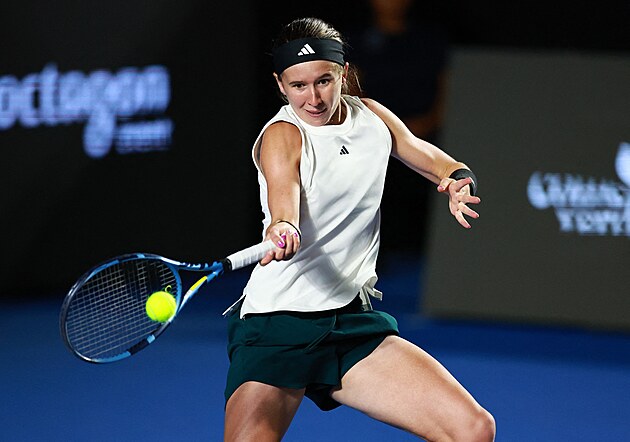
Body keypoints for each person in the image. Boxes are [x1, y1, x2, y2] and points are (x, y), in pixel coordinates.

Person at [223, 17, 495, 442]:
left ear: (344, 72)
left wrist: (459, 180)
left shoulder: (371, 117)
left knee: (472, 429)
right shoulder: (282, 135)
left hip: (349, 323)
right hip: (278, 327)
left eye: (324, 81)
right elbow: (283, 200)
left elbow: (435, 161)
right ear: (280, 84)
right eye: (298, 86)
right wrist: (283, 226)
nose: (313, 98)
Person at [347, 0, 451, 256]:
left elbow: (447, 89)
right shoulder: (356, 41)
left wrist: (427, 124)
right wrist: (378, 131)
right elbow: (351, 93)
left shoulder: (429, 40)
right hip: (371, 142)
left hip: (424, 138)